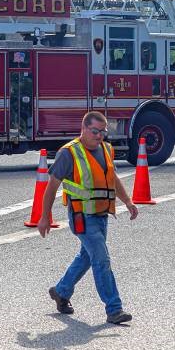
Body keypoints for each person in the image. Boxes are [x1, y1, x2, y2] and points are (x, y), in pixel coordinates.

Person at [37, 111, 138, 325]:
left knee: (87, 257)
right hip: (82, 216)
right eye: (95, 131)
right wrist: (44, 216)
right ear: (83, 129)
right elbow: (51, 187)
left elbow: (112, 178)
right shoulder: (69, 153)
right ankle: (114, 309)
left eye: (103, 132)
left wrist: (127, 201)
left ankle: (61, 291)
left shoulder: (106, 149)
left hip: (102, 215)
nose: (100, 136)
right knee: (101, 259)